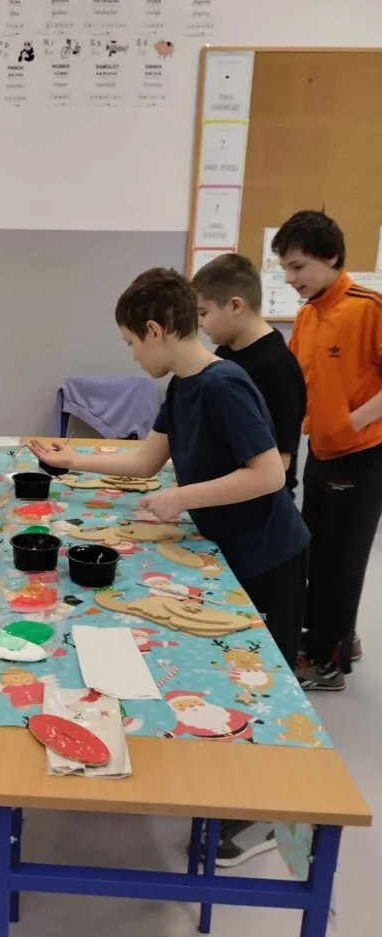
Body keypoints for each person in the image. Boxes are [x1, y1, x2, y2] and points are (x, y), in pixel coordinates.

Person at [31, 267, 311, 868]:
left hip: (269, 553)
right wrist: (69, 459)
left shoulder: (224, 383)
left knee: (262, 681)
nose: (133, 356)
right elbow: (145, 461)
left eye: (132, 342)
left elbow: (269, 474)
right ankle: (225, 777)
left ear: (156, 330)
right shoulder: (182, 387)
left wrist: (181, 499)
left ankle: (267, 814)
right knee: (224, 674)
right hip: (227, 547)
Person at [273, 210, 382, 690]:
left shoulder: (368, 308)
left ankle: (327, 664)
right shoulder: (307, 316)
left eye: (297, 266)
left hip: (361, 455)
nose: (289, 278)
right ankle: (335, 637)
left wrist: (352, 420)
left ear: (331, 257)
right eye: (285, 268)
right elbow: (300, 383)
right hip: (321, 450)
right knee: (316, 551)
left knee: (342, 560)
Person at [192, 253, 306, 496]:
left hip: (261, 504)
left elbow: (281, 462)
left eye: (203, 313)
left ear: (235, 306)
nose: (200, 323)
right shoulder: (226, 351)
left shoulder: (278, 369)